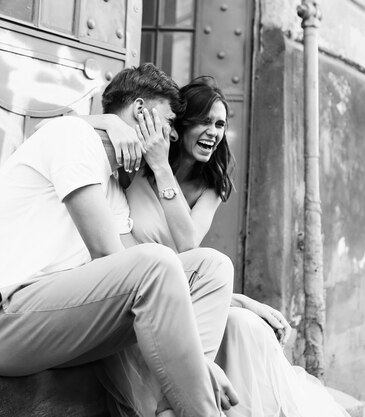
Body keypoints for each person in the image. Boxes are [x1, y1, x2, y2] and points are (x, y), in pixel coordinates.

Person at [0, 64, 238, 417]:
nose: (172, 135)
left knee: (212, 265)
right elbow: (111, 255)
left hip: (57, 318)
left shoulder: (113, 187)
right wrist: (102, 122)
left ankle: (172, 408)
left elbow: (140, 270)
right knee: (156, 262)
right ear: (139, 111)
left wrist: (195, 355)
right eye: (166, 122)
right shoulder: (73, 137)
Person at [96, 76, 350, 416]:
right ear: (178, 127)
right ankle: (180, 402)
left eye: (220, 124)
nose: (214, 132)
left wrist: (239, 301)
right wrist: (129, 137)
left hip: (179, 292)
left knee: (247, 328)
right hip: (137, 294)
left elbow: (186, 243)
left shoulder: (212, 186)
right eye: (204, 121)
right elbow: (77, 127)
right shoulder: (138, 163)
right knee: (229, 307)